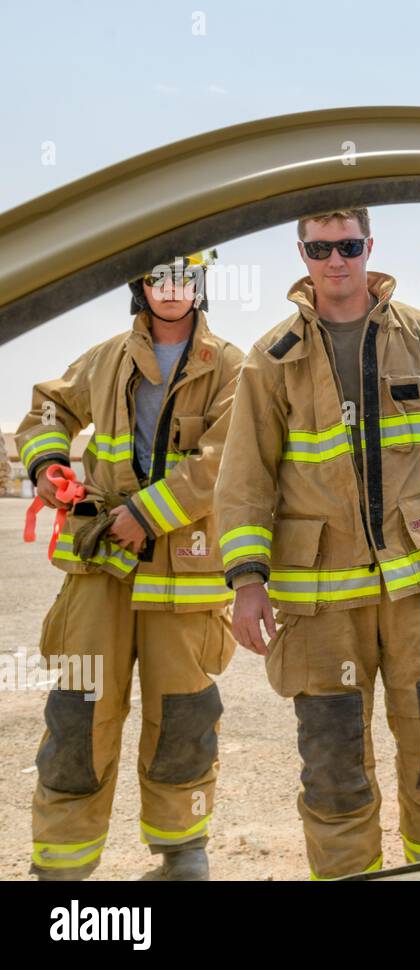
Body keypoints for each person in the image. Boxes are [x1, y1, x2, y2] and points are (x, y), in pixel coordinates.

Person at [214, 208, 420, 879]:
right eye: (321, 248)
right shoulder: (271, 359)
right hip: (321, 610)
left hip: (419, 599)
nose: (336, 260)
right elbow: (244, 477)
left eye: (348, 245)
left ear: (369, 246)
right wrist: (247, 580)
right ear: (302, 252)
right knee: (335, 770)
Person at [19, 251, 242, 880]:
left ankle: (182, 856)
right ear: (139, 286)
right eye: (158, 277)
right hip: (100, 571)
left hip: (187, 572)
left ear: (201, 285)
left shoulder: (231, 365)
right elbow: (45, 410)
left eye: (184, 277)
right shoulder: (106, 357)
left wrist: (144, 515)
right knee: (78, 711)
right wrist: (45, 466)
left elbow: (225, 458)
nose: (171, 289)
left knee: (184, 716)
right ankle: (61, 869)